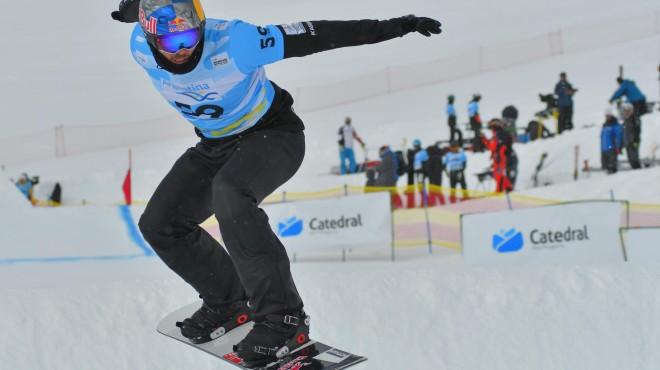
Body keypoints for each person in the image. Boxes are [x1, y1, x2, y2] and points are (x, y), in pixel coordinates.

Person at [111, 0, 441, 365]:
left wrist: (397, 25)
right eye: (172, 44)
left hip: (273, 136)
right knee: (161, 224)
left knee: (231, 196)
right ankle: (226, 301)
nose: (184, 49)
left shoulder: (236, 42)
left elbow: (318, 34)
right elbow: (140, 13)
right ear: (149, 38)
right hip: (215, 144)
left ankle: (284, 319)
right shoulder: (138, 45)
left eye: (190, 37)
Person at [482, 119, 513, 193]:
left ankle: (498, 191)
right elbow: (491, 146)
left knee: (498, 175)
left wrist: (500, 156)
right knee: (498, 174)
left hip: (500, 158)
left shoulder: (501, 134)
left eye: (491, 128)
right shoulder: (495, 136)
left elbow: (503, 146)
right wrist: (484, 139)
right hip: (497, 158)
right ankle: (508, 187)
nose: (491, 130)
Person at [600, 109, 623, 174]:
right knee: (605, 165)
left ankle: (613, 172)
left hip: (612, 148)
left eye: (608, 115)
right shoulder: (605, 125)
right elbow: (602, 137)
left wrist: (618, 147)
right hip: (604, 148)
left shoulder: (615, 124)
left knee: (612, 165)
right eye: (606, 116)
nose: (607, 117)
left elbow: (618, 137)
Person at [620, 102, 641, 170]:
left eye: (628, 111)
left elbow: (638, 130)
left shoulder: (634, 119)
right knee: (630, 159)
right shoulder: (625, 121)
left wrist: (636, 140)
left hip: (634, 142)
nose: (627, 112)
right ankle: (635, 170)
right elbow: (623, 132)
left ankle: (638, 170)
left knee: (634, 159)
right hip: (627, 143)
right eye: (625, 111)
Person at [406, 139, 424, 208]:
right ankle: (410, 203)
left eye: (417, 146)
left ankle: (423, 202)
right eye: (415, 146)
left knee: (420, 186)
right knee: (411, 186)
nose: (416, 147)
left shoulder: (422, 152)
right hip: (413, 171)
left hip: (420, 171)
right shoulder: (412, 152)